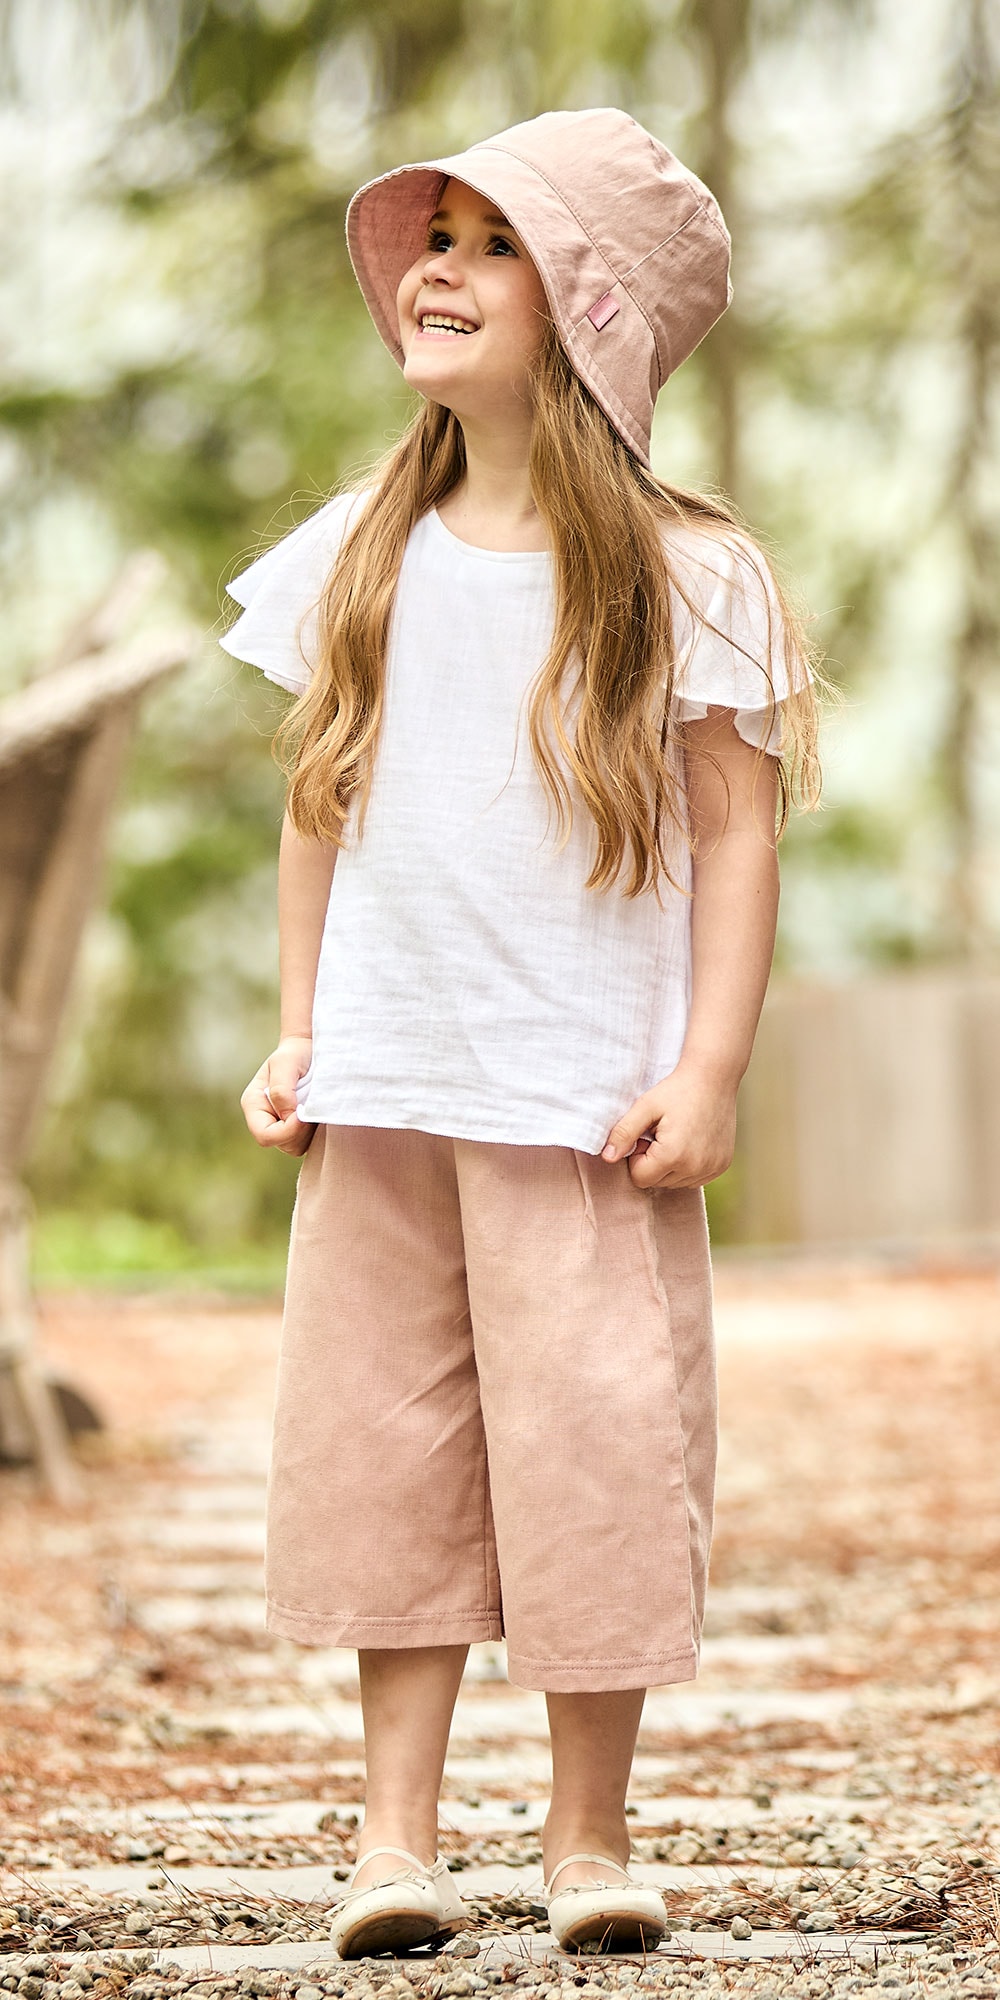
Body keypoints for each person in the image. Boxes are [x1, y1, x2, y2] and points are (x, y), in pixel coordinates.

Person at [221, 106, 820, 1960]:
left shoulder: (689, 570)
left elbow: (736, 833)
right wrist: (301, 1030)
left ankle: (587, 1836)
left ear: (588, 313)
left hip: (582, 1101)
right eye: (438, 237)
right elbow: (320, 808)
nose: (442, 269)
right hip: (391, 1085)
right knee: (384, 1449)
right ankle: (393, 1842)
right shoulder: (362, 548)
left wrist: (708, 1067)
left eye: (496, 247)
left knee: (595, 1452)